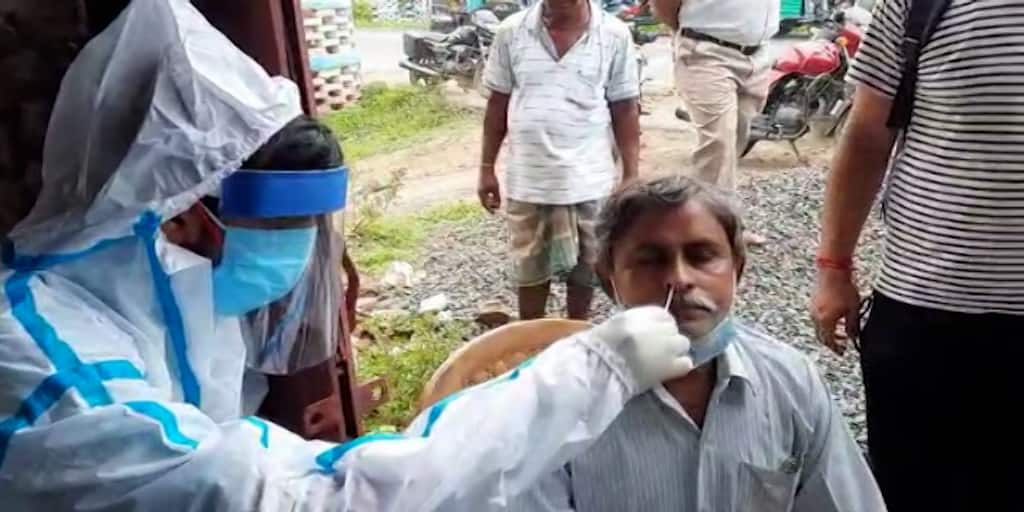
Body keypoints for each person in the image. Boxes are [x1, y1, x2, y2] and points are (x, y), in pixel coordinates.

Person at [0, 1, 701, 510]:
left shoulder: (168, 301)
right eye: (287, 230)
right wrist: (592, 372)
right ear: (183, 218)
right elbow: (303, 499)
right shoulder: (40, 364)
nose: (296, 261)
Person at [508, 174, 886, 511]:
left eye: (701, 256)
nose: (679, 279)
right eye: (651, 260)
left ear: (737, 268)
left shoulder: (790, 382)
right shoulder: (560, 401)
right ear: (609, 279)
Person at [811, 0, 1024, 509]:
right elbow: (865, 136)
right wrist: (834, 267)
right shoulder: (918, 4)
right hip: (926, 309)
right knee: (917, 490)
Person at [478, 0, 641, 321]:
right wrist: (486, 169)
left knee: (588, 269)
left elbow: (625, 108)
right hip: (529, 180)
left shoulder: (614, 34)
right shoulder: (511, 32)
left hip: (590, 180)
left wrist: (631, 175)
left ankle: (575, 334)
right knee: (530, 271)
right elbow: (497, 105)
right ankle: (531, 341)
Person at [653, 0, 778, 245]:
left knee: (734, 144)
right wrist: (687, 31)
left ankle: (715, 218)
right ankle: (706, 229)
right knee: (718, 142)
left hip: (757, 56)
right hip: (706, 51)